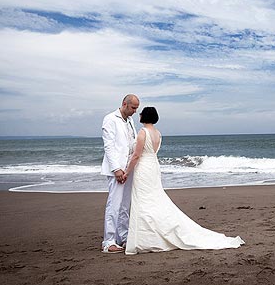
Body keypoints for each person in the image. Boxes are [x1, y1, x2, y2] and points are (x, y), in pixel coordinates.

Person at [124, 107, 244, 254]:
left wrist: (126, 172)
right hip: (153, 166)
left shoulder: (143, 132)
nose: (139, 114)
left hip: (144, 168)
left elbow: (136, 156)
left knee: (144, 200)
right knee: (155, 198)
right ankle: (150, 234)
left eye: (141, 112)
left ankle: (146, 238)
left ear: (145, 116)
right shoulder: (158, 133)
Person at [100, 94, 139, 253]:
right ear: (124, 104)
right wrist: (116, 169)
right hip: (117, 169)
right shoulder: (110, 119)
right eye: (133, 108)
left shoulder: (130, 121)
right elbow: (108, 146)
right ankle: (108, 242)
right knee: (114, 205)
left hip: (128, 168)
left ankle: (123, 237)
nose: (135, 111)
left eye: (137, 108)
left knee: (124, 205)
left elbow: (131, 143)